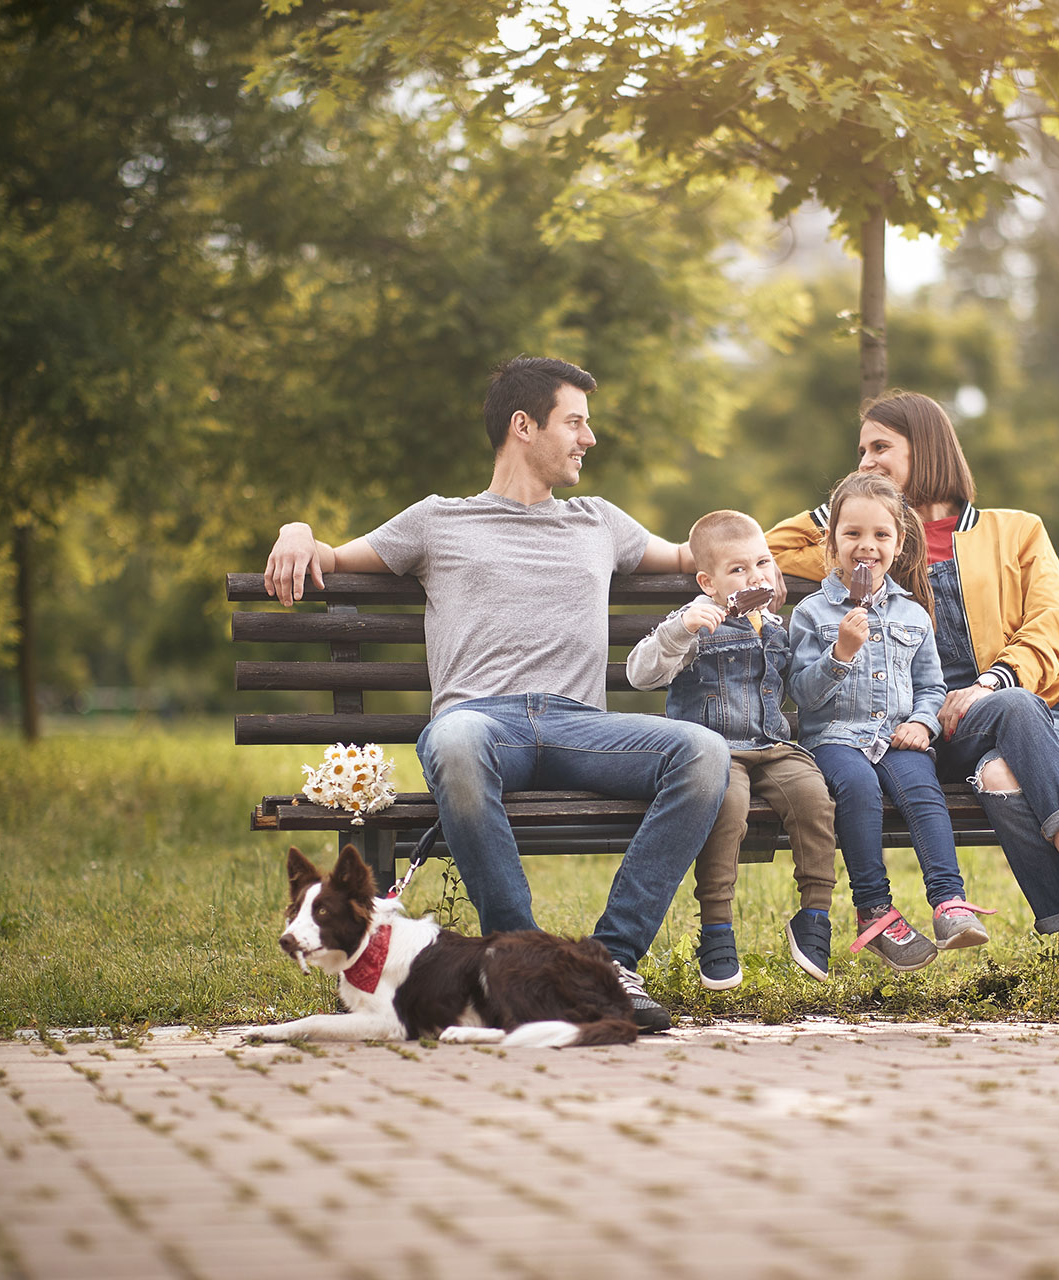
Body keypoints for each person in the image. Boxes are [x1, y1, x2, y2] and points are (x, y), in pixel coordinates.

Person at [262, 356, 731, 1033]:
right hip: (482, 725)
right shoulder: (437, 521)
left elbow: (701, 557)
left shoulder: (599, 521)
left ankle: (609, 962)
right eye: (575, 422)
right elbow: (333, 557)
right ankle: (524, 962)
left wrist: (799, 542)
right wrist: (296, 532)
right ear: (523, 426)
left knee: (703, 753)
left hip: (578, 727)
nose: (588, 439)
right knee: (452, 742)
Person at [768, 392, 1059, 1027]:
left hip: (1038, 711)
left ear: (925, 448)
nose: (868, 460)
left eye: (881, 448)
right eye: (861, 452)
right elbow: (771, 548)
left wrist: (988, 683)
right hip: (934, 728)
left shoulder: (1017, 530)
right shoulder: (883, 543)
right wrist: (851, 500)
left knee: (1002, 771)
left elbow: (1050, 622)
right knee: (990, 764)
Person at [786, 471, 997, 973]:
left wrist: (924, 725)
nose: (866, 546)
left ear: (899, 543)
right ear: (832, 540)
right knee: (857, 789)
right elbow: (802, 696)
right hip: (836, 738)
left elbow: (931, 687)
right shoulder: (812, 614)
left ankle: (949, 902)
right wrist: (840, 652)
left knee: (923, 792)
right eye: (852, 534)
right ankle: (875, 913)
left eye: (881, 535)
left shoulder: (914, 614)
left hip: (900, 737)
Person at [625, 510, 838, 989]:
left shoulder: (777, 627)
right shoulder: (695, 624)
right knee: (729, 806)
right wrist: (679, 628)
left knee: (814, 798)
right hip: (717, 752)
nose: (755, 576)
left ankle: (815, 916)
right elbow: (640, 674)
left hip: (773, 746)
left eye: (762, 563)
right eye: (737, 569)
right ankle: (716, 926)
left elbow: (801, 689)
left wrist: (837, 655)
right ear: (708, 582)